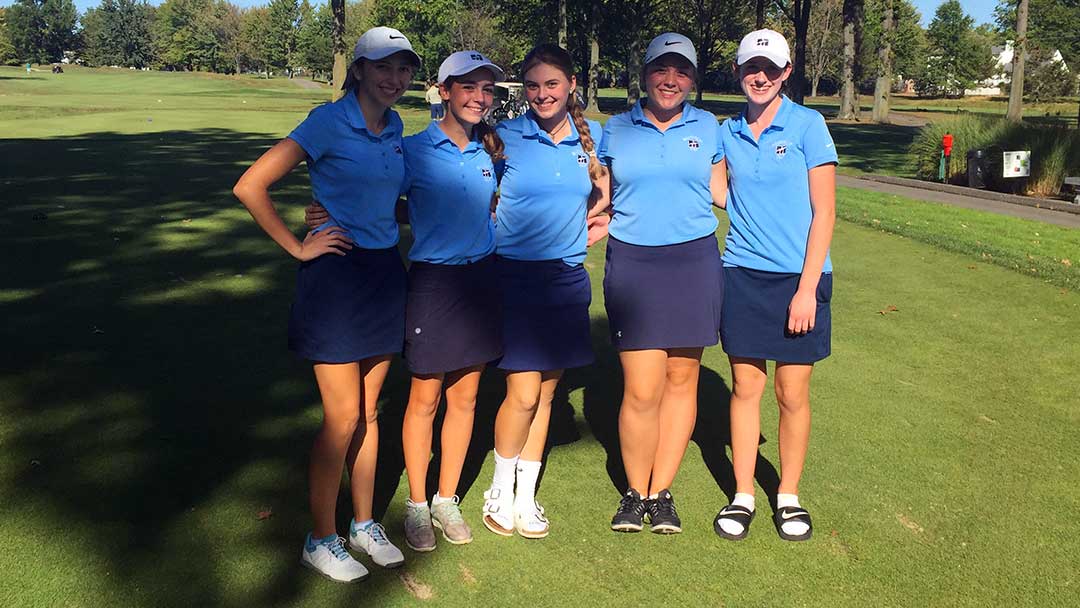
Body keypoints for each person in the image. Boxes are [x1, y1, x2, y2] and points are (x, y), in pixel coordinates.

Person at [232, 26, 419, 583]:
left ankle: (364, 523)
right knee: (341, 417)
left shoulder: (396, 128)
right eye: (383, 67)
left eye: (404, 68)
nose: (394, 78)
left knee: (370, 412)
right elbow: (250, 185)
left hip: (385, 274)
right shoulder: (326, 122)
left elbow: (389, 205)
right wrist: (299, 244)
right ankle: (321, 537)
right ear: (358, 69)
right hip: (336, 278)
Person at [588, 33, 726, 534]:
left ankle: (660, 492)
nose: (671, 80)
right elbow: (597, 193)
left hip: (694, 262)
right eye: (661, 70)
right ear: (644, 74)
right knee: (642, 390)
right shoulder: (615, 130)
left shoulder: (709, 127)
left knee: (681, 382)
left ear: (692, 78)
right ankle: (634, 491)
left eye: (682, 71)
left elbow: (725, 191)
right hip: (634, 264)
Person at [712, 29, 837, 543]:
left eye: (770, 68)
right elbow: (718, 188)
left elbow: (825, 212)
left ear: (787, 72)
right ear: (739, 72)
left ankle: (788, 495)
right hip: (742, 272)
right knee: (746, 388)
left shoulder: (809, 125)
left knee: (791, 392)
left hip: (798, 278)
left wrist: (806, 289)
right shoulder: (726, 130)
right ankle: (743, 493)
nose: (759, 76)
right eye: (749, 67)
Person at [478, 43, 604, 539]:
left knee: (548, 391)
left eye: (552, 84)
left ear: (571, 85)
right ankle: (499, 489)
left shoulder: (589, 142)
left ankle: (526, 498)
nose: (542, 94)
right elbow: (467, 183)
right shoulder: (505, 136)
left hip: (567, 280)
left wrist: (604, 214)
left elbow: (603, 188)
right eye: (532, 85)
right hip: (517, 279)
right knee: (524, 392)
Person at [396, 51, 506, 552]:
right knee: (426, 398)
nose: (478, 97)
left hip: (481, 282)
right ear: (443, 91)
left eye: (487, 89)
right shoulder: (413, 150)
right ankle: (417, 505)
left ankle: (446, 498)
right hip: (434, 283)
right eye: (467, 87)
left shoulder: (491, 153)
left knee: (466, 397)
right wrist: (323, 213)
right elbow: (376, 195)